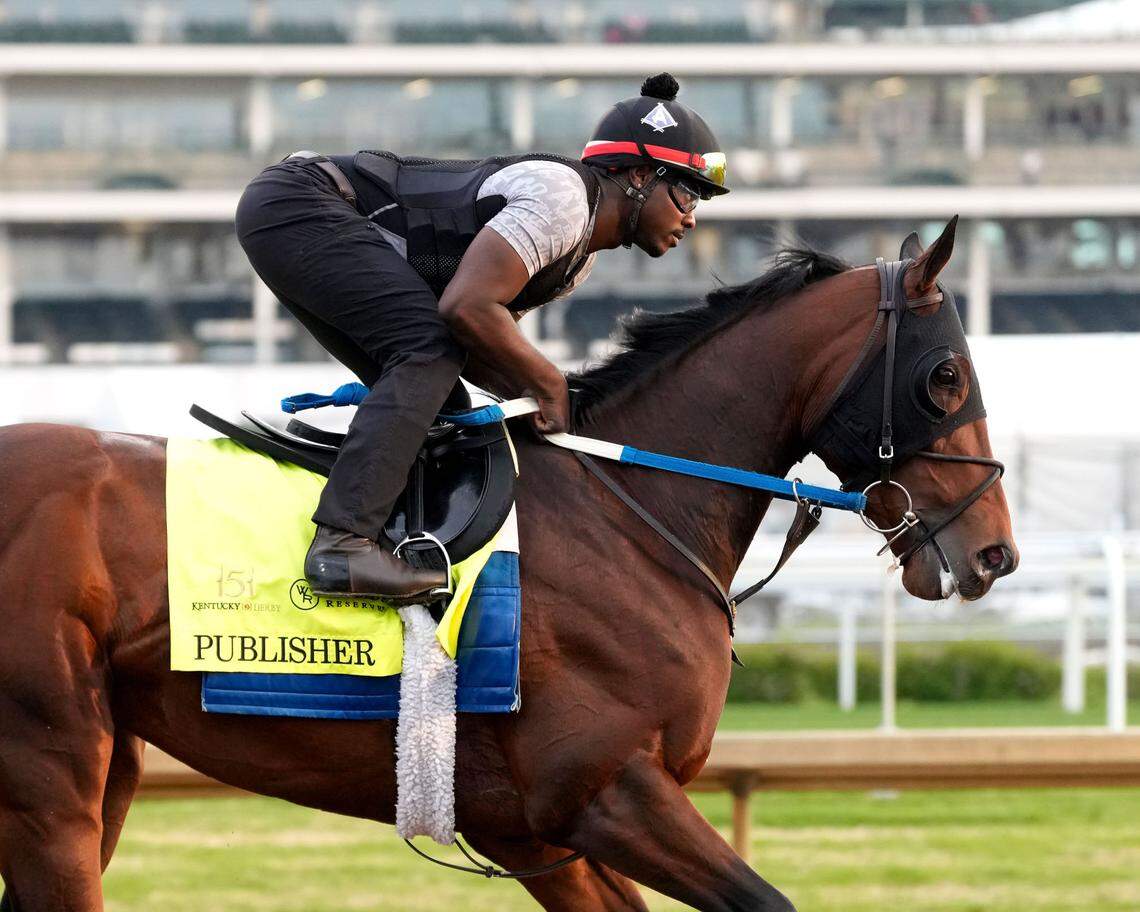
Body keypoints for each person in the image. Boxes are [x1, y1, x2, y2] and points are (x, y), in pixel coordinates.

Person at [234, 72, 729, 602]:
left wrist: (563, 414)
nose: (692, 219)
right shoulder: (563, 202)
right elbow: (466, 310)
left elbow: (480, 347)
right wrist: (550, 384)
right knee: (427, 351)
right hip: (300, 202)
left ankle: (390, 534)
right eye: (685, 194)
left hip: (297, 211)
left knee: (444, 395)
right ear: (636, 175)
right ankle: (341, 544)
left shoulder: (576, 259)